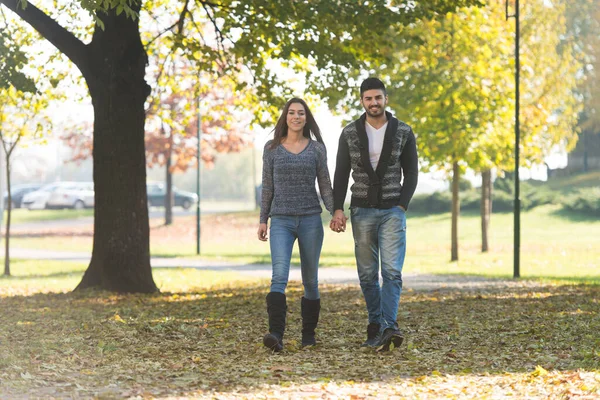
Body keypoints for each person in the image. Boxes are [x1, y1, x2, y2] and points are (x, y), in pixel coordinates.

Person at [330, 78, 418, 352]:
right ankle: (375, 325)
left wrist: (402, 205)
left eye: (378, 97)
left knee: (391, 271)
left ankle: (389, 325)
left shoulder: (403, 131)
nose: (373, 102)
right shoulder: (349, 133)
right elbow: (341, 174)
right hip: (362, 210)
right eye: (368, 98)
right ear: (362, 101)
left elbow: (412, 172)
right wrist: (337, 209)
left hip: (393, 210)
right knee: (368, 274)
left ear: (385, 99)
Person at [258, 98, 334, 352]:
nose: (296, 117)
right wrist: (263, 219)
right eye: (291, 113)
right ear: (285, 117)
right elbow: (267, 186)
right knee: (279, 276)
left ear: (306, 118)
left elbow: (324, 183)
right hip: (281, 220)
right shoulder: (271, 149)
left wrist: (335, 211)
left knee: (310, 280)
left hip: (311, 219)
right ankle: (276, 334)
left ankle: (308, 335)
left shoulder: (316, 149)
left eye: (301, 113)